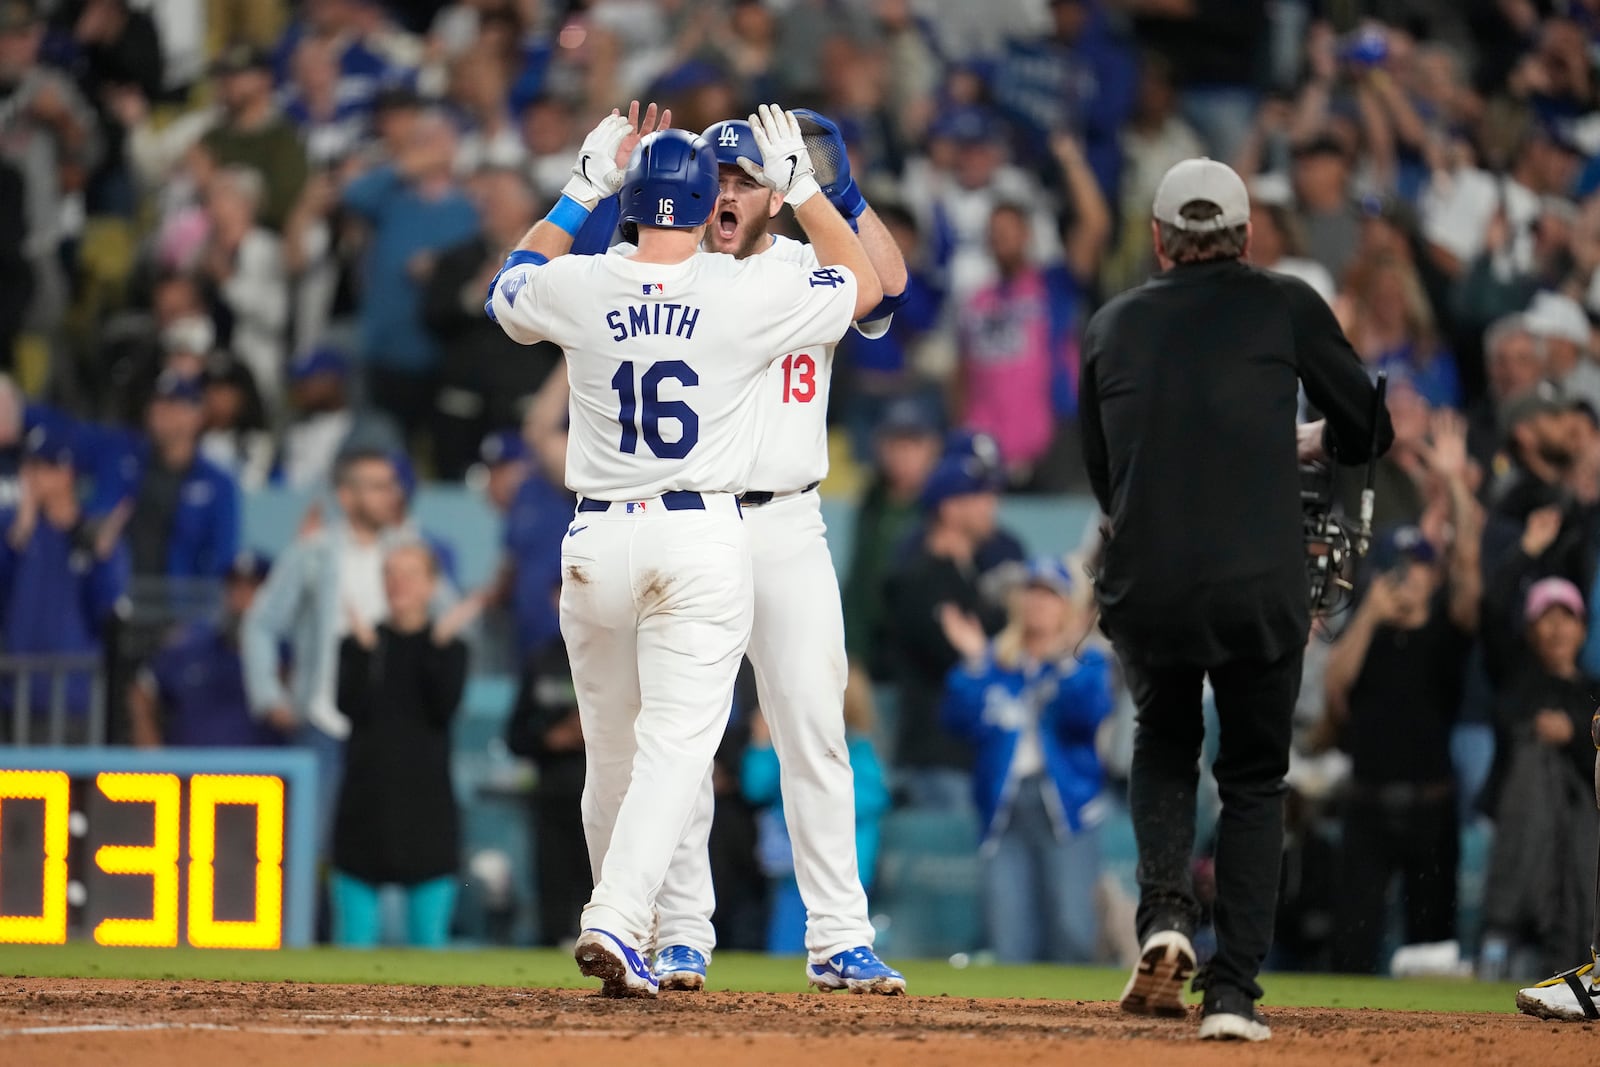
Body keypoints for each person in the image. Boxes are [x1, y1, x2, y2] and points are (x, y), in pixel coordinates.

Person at [486, 101, 881, 996]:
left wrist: (581, 187)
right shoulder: (738, 292)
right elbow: (861, 285)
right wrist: (812, 188)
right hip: (695, 533)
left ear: (631, 202)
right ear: (707, 206)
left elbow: (506, 285)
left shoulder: (586, 281)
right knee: (674, 746)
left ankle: (647, 926)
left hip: (592, 538)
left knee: (614, 754)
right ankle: (624, 919)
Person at [1079, 157, 1391, 1040]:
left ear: (1158, 240)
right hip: (1260, 583)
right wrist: (1298, 439)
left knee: (1165, 742)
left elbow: (1108, 474)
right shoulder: (1283, 302)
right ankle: (1232, 995)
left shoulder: (1111, 323)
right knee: (1254, 778)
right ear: (1247, 238)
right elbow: (1369, 426)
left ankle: (1166, 916)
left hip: (1150, 584)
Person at [641, 110, 908, 995]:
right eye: (717, 179)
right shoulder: (674, 268)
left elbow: (892, 285)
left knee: (815, 730)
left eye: (743, 179)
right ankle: (681, 933)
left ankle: (837, 934)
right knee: (686, 736)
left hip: (790, 520)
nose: (726, 193)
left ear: (773, 193)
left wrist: (829, 185)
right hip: (695, 519)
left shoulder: (808, 262)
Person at [939, 556, 1114, 964]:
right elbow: (955, 720)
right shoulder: (996, 662)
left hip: (1067, 808)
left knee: (1072, 928)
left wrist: (1063, 658)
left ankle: (1076, 1023)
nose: (1038, 603)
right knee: (1008, 933)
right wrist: (973, 661)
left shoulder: (1086, 662)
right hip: (1004, 807)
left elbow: (1087, 717)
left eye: (1051, 594)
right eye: (1032, 592)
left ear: (1068, 606)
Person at [241, 448, 407, 856]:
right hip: (321, 725)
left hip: (390, 732)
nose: (390, 494)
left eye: (391, 485)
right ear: (346, 497)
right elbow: (260, 623)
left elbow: (443, 624)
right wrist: (269, 696)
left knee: (384, 850)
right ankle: (307, 923)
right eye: (377, 486)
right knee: (308, 848)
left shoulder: (407, 553)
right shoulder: (312, 553)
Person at [331, 541, 473, 948]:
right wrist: (362, 654)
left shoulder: (451, 648)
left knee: (429, 946)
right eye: (391, 573)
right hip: (363, 811)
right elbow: (349, 706)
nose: (398, 583)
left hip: (426, 816)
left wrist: (436, 647)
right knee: (351, 948)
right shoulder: (359, 645)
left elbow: (441, 707)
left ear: (431, 584)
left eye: (410, 574)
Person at [1481, 577, 1598, 980]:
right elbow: (1490, 609)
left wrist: (1573, 735)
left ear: (1583, 627)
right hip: (1518, 836)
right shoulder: (1515, 678)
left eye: (1566, 617)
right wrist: (1528, 550)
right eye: (1546, 618)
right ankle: (1494, 973)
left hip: (1581, 837)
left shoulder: (1594, 694)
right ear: (1530, 631)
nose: (1557, 628)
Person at [881, 452, 1013, 811]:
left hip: (975, 758)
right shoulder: (919, 583)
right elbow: (949, 656)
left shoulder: (969, 579)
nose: (991, 504)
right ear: (950, 508)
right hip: (940, 761)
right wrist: (986, 653)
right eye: (980, 495)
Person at [742, 666, 890, 957]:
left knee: (842, 936)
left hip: (847, 864)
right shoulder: (787, 744)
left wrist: (814, 805)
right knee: (785, 943)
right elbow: (756, 788)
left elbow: (872, 797)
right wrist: (761, 743)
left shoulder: (858, 748)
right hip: (793, 865)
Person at [0, 426, 129, 743]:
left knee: (69, 788)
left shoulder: (94, 535)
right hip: (12, 690)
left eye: (41, 467)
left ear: (66, 473)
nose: (30, 476)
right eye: (27, 466)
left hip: (73, 693)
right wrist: (18, 538)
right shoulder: (10, 527)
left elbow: (106, 611)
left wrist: (100, 559)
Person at [129, 551, 279, 748]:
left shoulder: (283, 655)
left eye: (252, 588)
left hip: (263, 775)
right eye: (234, 587)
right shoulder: (192, 646)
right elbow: (142, 691)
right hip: (189, 774)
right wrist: (152, 761)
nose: (241, 599)